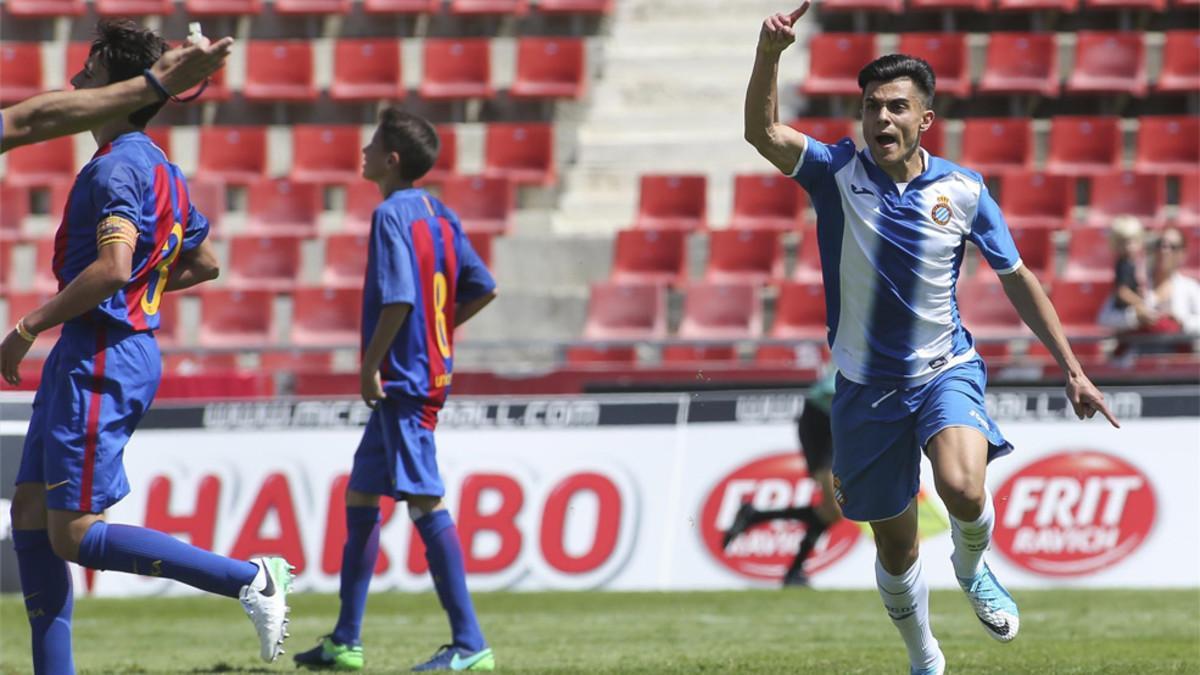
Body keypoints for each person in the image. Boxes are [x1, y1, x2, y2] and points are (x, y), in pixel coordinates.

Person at [744, 5, 1119, 674]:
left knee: (963, 487)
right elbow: (763, 131)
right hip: (862, 390)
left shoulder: (964, 190)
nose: (880, 119)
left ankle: (974, 570)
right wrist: (770, 53)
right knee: (894, 547)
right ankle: (924, 654)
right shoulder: (835, 172)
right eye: (870, 107)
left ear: (924, 120)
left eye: (894, 107)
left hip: (944, 369)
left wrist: (1073, 367)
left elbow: (1018, 277)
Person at [0, 21, 292, 674]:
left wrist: (26, 326)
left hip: (101, 350)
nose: (78, 75)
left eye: (91, 65)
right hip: (100, 343)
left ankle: (249, 577)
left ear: (119, 83)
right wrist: (145, 288)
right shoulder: (158, 165)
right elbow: (204, 261)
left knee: (73, 533)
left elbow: (111, 267)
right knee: (31, 510)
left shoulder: (118, 170)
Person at [293, 107, 499, 673]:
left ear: (391, 160)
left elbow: (400, 298)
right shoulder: (439, 213)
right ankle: (345, 641)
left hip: (403, 383)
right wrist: (438, 334)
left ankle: (469, 642)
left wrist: (370, 365)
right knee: (362, 497)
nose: (362, 151)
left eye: (372, 144)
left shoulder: (390, 215)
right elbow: (483, 288)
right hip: (422, 372)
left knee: (426, 501)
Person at [0, 33, 232, 154]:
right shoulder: (161, 166)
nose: (74, 81)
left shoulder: (113, 172)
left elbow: (28, 122)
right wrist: (156, 84)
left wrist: (156, 84)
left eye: (89, 74)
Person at [722, 365, 842, 587]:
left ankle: (757, 519)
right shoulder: (860, 361)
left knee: (832, 510)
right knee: (833, 508)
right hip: (821, 423)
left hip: (832, 425)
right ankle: (793, 570)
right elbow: (829, 391)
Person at [1100, 225, 1200, 348]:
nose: (1164, 250)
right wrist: (1135, 317)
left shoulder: (1190, 287)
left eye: (1172, 247)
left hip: (1175, 360)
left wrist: (1181, 321)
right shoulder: (1134, 279)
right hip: (1136, 358)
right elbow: (1105, 318)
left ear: (1182, 254)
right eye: (1160, 244)